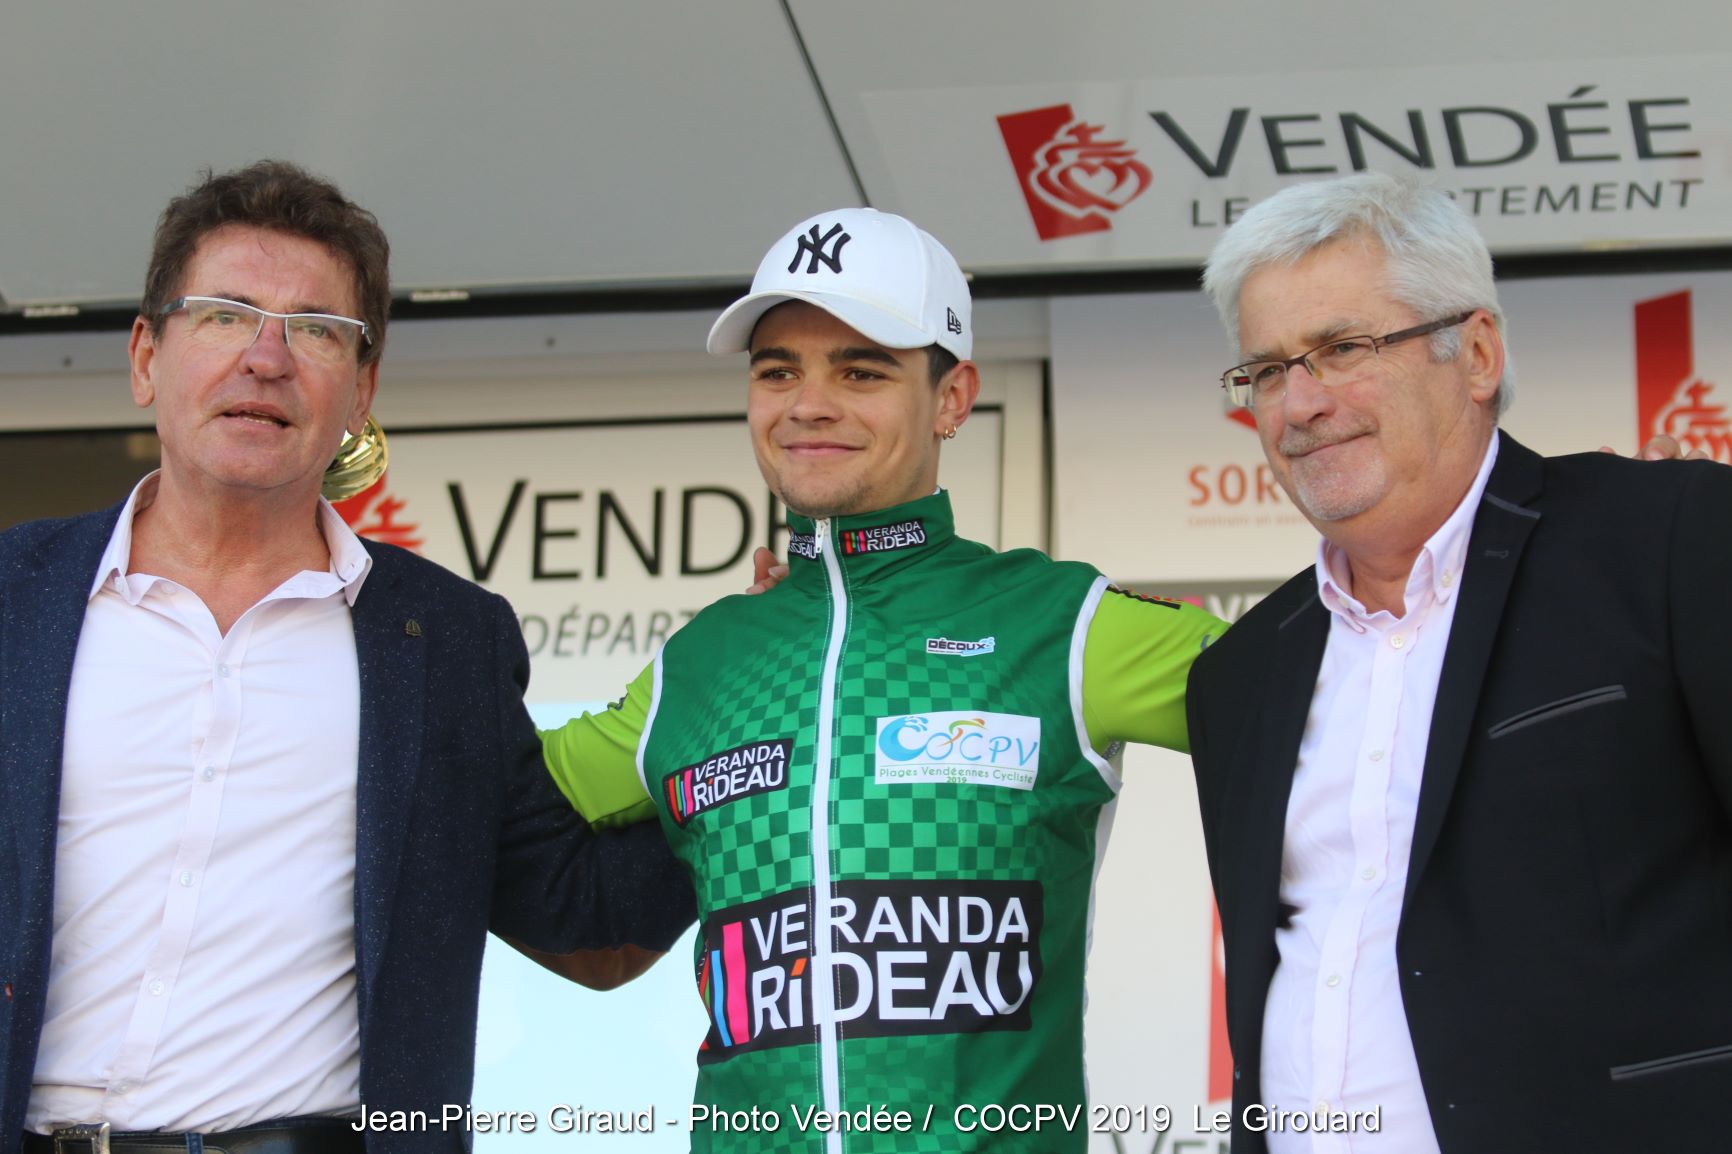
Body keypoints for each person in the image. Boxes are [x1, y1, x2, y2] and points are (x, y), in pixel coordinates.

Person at [0, 161, 693, 1154]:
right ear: (147, 356)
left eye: (317, 329)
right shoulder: (14, 598)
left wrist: (766, 695)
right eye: (225, 314)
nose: (266, 358)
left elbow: (587, 918)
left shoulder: (444, 641)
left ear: (361, 388)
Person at [540, 207, 1224, 1153]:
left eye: (861, 371)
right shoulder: (700, 664)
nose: (809, 405)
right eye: (778, 371)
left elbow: (1343, 697)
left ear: (952, 398)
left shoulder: (1064, 624)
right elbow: (488, 795)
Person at [1187, 172, 1732, 1153]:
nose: (1299, 403)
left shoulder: (1669, 538)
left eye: (1341, 348)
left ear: (1475, 353)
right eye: (1265, 370)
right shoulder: (1240, 673)